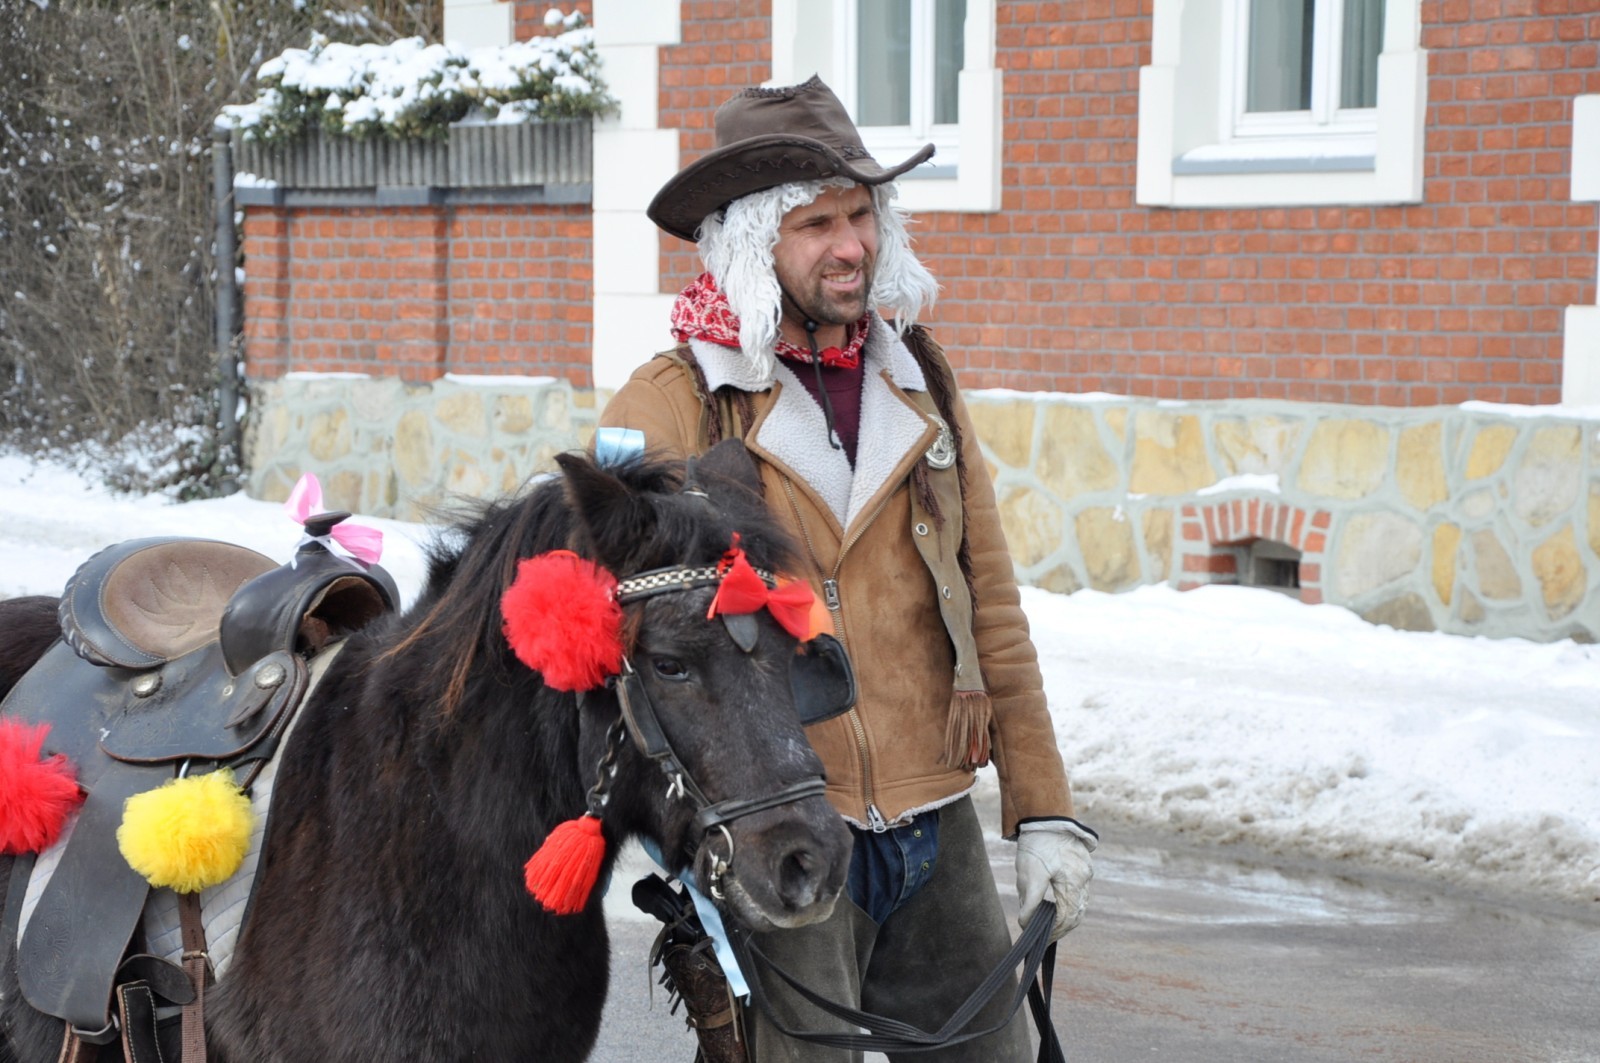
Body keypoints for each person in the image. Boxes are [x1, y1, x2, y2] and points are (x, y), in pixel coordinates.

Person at [600, 75, 1097, 1062]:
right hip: (784, 822)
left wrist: (1044, 810)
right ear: (752, 245)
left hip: (933, 814)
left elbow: (991, 604)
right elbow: (598, 634)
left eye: (861, 214)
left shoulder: (921, 379)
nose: (850, 246)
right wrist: (672, 834)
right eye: (817, 223)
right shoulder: (668, 406)